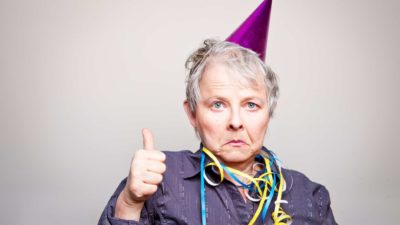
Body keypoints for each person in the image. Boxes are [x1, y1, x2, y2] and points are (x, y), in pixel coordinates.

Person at [99, 1, 338, 224]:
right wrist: (129, 203)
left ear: (269, 111)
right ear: (192, 113)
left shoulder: (309, 195)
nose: (235, 122)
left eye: (251, 105)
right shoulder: (158, 180)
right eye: (218, 105)